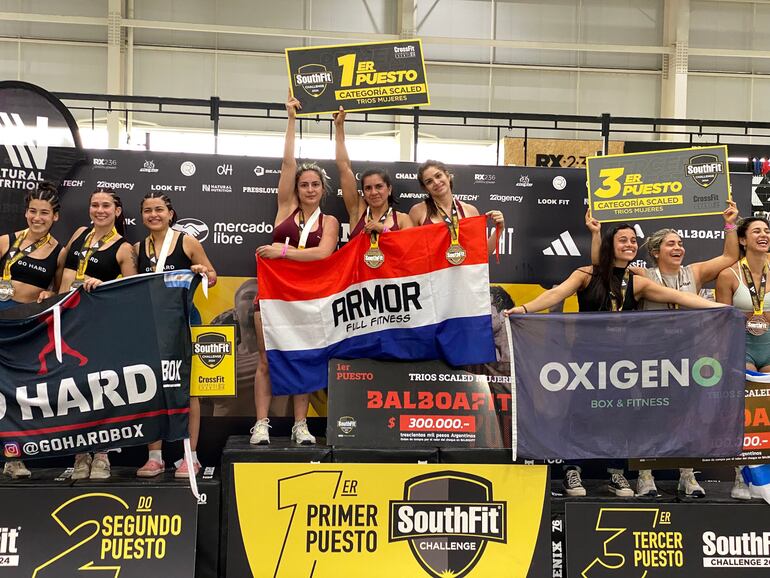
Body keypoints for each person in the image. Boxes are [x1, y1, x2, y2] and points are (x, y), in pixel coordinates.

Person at [506, 223, 726, 498]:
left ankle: (616, 474)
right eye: (623, 240)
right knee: (581, 412)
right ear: (610, 245)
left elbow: (682, 297)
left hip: (621, 363)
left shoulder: (639, 281)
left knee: (617, 414)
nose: (630, 245)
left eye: (634, 240)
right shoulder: (586, 274)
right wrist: (525, 309)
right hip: (586, 360)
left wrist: (723, 309)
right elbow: (556, 294)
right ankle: (572, 471)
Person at [588, 202, 740, 497]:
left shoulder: (694, 272)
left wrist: (731, 223)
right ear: (656, 251)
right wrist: (595, 234)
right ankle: (646, 475)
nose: (678, 248)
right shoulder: (641, 275)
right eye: (671, 244)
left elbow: (730, 256)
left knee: (687, 415)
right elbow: (600, 269)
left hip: (688, 355)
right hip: (651, 355)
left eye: (681, 244)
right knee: (648, 414)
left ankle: (687, 474)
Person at [250, 95, 340, 446]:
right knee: (266, 359)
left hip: (309, 298)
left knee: (304, 359)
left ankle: (300, 424)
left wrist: (282, 251)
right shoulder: (285, 207)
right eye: (304, 184)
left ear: (322, 189)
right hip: (272, 296)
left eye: (315, 184)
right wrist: (290, 119)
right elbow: (288, 164)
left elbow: (323, 253)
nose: (309, 189)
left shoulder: (330, 221)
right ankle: (261, 423)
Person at [133, 192, 216, 479]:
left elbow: (212, 275)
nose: (153, 215)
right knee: (153, 389)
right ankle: (154, 457)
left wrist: (201, 270)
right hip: (149, 327)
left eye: (159, 209)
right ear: (141, 216)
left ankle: (189, 457)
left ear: (170, 214)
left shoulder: (186, 241)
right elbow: (131, 288)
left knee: (187, 389)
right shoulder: (137, 248)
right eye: (147, 211)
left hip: (184, 324)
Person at [60, 188, 137, 479]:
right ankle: (80, 455)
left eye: (106, 205)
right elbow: (63, 276)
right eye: (95, 205)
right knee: (73, 388)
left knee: (102, 390)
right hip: (68, 319)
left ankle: (102, 455)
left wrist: (102, 285)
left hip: (100, 324)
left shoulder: (123, 248)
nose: (99, 210)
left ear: (117, 211)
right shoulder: (79, 233)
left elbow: (132, 292)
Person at [0, 183, 66, 479]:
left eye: (44, 213)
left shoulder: (60, 251)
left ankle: (14, 458)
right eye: (32, 211)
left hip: (26, 325)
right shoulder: (5, 241)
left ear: (55, 217)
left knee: (17, 394)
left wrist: (47, 294)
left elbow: (57, 289)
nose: (36, 218)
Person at [716, 216, 770, 501]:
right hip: (742, 347)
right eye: (756, 231)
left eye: (767, 230)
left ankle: (766, 478)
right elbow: (721, 319)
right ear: (742, 239)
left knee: (769, 414)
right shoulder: (728, 275)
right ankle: (741, 474)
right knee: (746, 413)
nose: (764, 234)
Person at [334, 107, 412, 240]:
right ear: (363, 192)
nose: (374, 192)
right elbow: (344, 167)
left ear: (389, 189)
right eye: (368, 188)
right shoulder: (357, 212)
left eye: (379, 186)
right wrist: (339, 126)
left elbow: (410, 247)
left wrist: (384, 229)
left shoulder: (403, 219)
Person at [409, 160, 505, 254]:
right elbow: (411, 254)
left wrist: (499, 229)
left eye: (438, 176)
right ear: (425, 188)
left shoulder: (470, 210)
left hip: (465, 270)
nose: (436, 182)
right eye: (429, 181)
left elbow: (481, 253)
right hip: (434, 270)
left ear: (448, 176)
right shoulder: (418, 212)